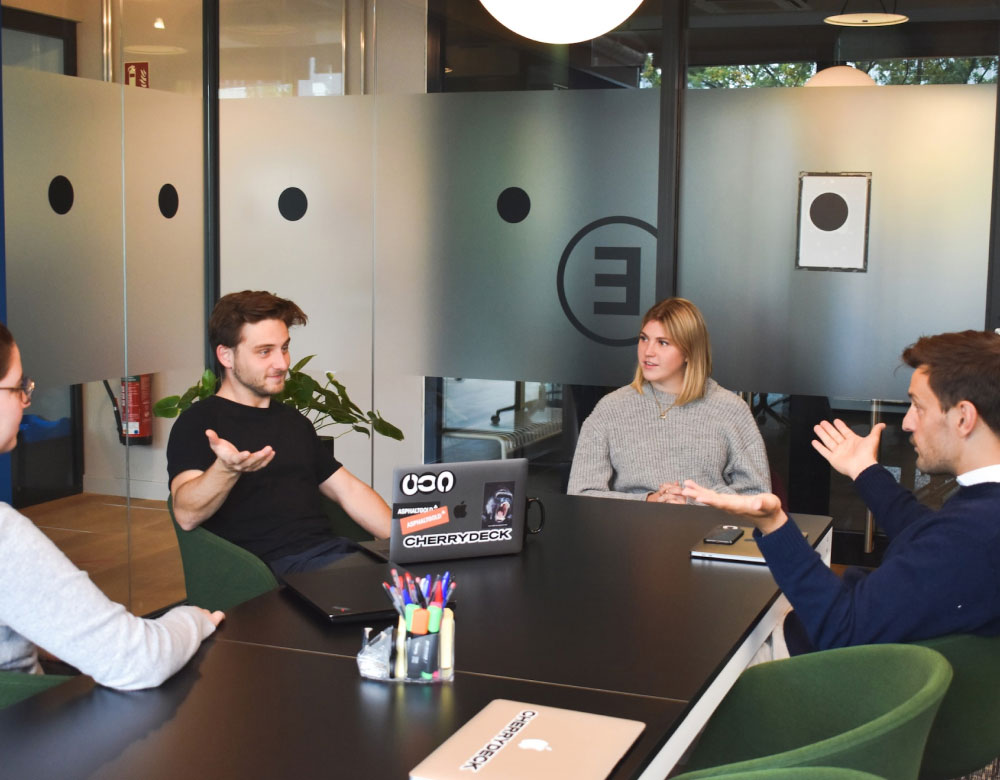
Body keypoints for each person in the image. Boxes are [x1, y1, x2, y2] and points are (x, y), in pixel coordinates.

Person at [683, 329, 1000, 653]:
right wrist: (865, 470)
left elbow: (841, 630)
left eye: (918, 407)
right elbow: (924, 532)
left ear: (963, 418)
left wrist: (774, 525)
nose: (906, 423)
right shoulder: (981, 511)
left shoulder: (972, 536)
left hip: (819, 667)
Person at [0, 324, 223, 688]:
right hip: (32, 717)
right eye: (17, 387)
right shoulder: (4, 536)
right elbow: (139, 661)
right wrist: (193, 619)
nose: (27, 400)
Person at [167, 290, 391, 576]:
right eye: (265, 351)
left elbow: (349, 490)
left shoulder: (294, 422)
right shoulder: (199, 422)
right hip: (269, 577)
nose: (282, 363)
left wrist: (410, 542)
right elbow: (186, 515)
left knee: (427, 582)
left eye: (284, 348)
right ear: (226, 355)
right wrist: (226, 469)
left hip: (330, 559)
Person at [567, 297, 770, 502]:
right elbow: (580, 494)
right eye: (644, 339)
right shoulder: (610, 408)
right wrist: (649, 501)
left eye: (663, 343)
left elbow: (758, 497)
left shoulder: (731, 409)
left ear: (689, 352)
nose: (648, 352)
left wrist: (693, 501)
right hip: (631, 522)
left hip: (705, 523)